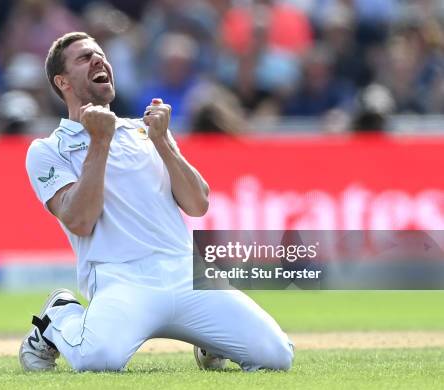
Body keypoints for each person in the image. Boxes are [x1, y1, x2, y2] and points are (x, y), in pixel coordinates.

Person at [21, 32, 294, 372]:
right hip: (121, 279)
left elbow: (198, 204)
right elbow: (79, 220)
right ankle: (60, 312)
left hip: (186, 272)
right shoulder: (48, 150)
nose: (98, 60)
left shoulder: (145, 131)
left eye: (99, 54)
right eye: (83, 58)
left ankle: (211, 340)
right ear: (62, 82)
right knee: (98, 361)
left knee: (276, 356)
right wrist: (99, 142)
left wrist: (163, 141)